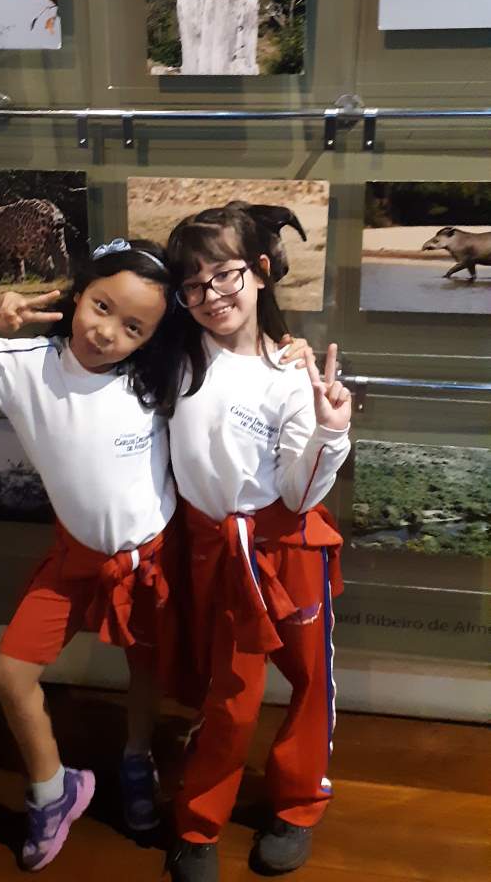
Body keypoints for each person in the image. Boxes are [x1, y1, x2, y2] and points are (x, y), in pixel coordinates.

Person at [0, 238, 186, 872]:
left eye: (133, 327)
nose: (107, 332)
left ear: (150, 338)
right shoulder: (22, 363)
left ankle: (137, 758)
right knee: (9, 674)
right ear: (80, 292)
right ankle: (54, 788)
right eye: (102, 306)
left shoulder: (157, 376)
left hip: (150, 559)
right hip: (74, 560)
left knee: (145, 666)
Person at [162, 201, 352, 882]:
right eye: (193, 284)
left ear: (261, 271)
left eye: (225, 275)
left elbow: (299, 495)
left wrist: (330, 429)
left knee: (309, 681)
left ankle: (299, 805)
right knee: (231, 694)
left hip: (288, 548)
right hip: (217, 551)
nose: (211, 295)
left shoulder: (293, 373)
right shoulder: (174, 359)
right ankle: (197, 823)